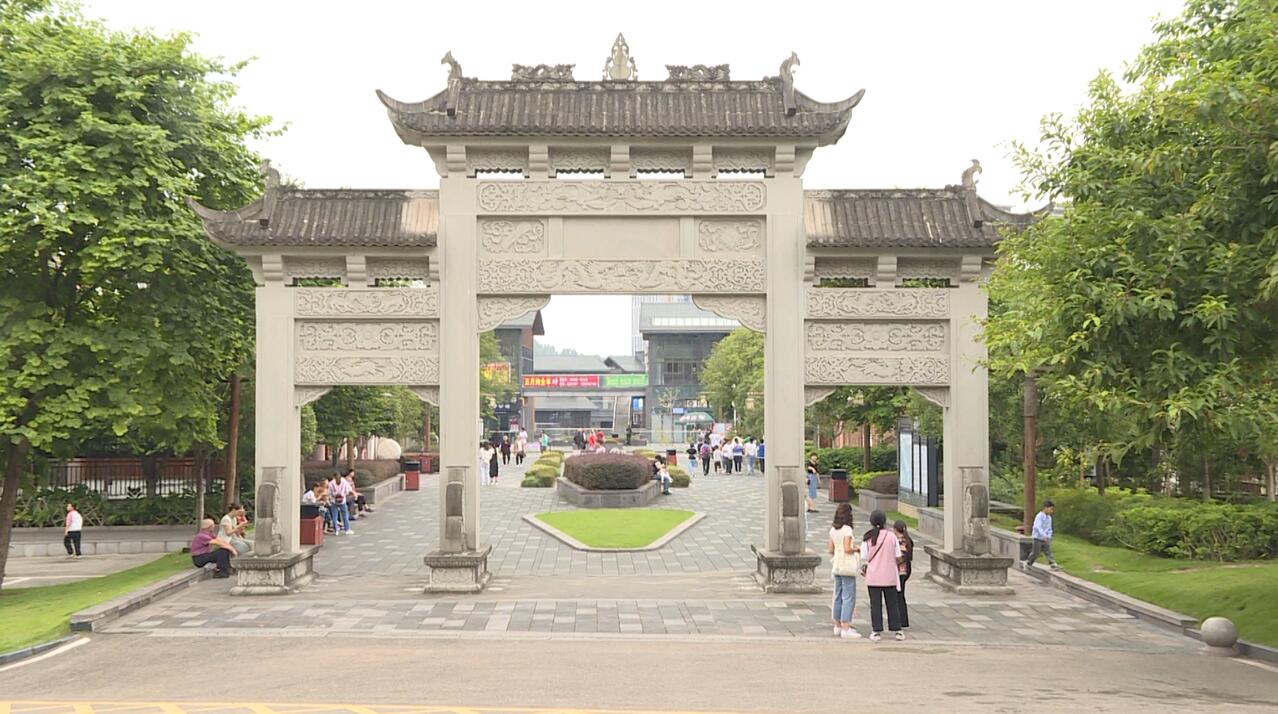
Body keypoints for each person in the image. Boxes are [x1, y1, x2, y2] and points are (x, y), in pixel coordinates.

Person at [861, 510, 905, 642]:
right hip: (889, 575)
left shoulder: (867, 537)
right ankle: (897, 630)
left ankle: (876, 631)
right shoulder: (891, 536)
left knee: (875, 604)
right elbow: (898, 556)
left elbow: (864, 557)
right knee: (892, 603)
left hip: (873, 576)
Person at [827, 503, 861, 639]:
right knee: (848, 596)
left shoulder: (833, 530)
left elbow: (830, 549)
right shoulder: (847, 530)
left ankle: (837, 625)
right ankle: (846, 626)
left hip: (837, 565)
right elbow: (847, 549)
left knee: (837, 595)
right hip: (847, 567)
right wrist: (856, 549)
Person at [1024, 500, 1061, 570]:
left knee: (1048, 551)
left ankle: (1052, 564)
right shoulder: (1039, 516)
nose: (1051, 511)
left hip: (1045, 538)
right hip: (1037, 537)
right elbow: (1038, 527)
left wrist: (1048, 536)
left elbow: (1049, 528)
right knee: (1036, 552)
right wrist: (1043, 535)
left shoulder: (1049, 518)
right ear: (1045, 508)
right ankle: (1028, 562)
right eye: (1051, 509)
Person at [894, 520, 914, 629]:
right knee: (900, 595)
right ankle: (903, 620)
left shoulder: (900, 541)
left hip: (900, 571)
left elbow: (900, 557)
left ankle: (902, 620)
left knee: (899, 595)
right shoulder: (908, 540)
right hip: (906, 570)